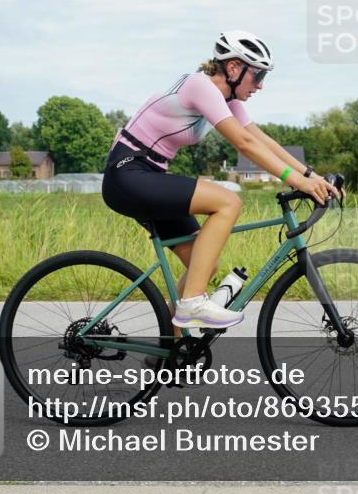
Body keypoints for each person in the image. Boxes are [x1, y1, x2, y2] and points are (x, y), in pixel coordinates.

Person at [101, 30, 340, 331]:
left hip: (149, 175)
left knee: (204, 263)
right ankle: (191, 307)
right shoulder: (199, 86)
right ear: (234, 68)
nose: (261, 85)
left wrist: (310, 176)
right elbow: (243, 144)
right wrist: (298, 182)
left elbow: (260, 139)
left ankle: (173, 347)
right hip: (128, 174)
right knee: (228, 202)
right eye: (258, 75)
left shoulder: (228, 101)